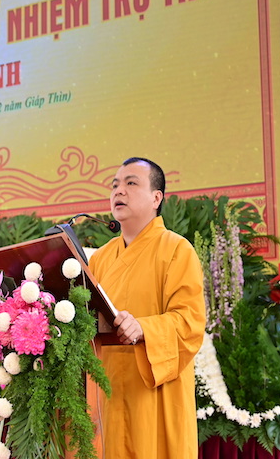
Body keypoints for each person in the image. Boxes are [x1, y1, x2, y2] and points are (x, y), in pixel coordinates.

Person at [86, 157, 206, 459]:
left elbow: (189, 322)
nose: (119, 191)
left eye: (131, 183)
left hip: (152, 393)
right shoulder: (100, 259)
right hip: (108, 392)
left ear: (156, 198)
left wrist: (144, 328)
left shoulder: (176, 249)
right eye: (115, 185)